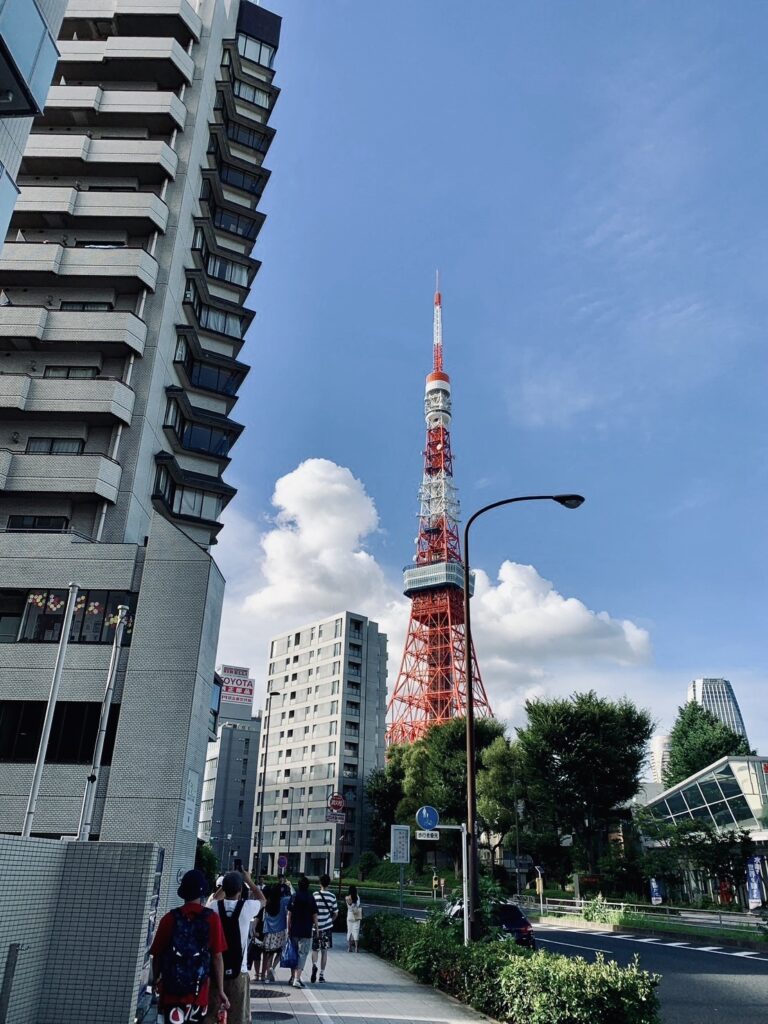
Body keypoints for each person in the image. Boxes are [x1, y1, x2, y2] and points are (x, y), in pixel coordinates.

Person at [150, 869, 229, 1024]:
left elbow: (157, 955)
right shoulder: (212, 919)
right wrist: (220, 990)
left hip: (171, 992)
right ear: (202, 893)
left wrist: (156, 980)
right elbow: (217, 957)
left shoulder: (169, 919)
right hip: (198, 995)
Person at [204, 870, 264, 1024]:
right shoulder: (247, 907)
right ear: (241, 890)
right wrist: (248, 880)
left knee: (211, 1015)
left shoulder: (214, 907)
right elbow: (262, 899)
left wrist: (224, 885)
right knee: (238, 1018)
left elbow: (212, 900)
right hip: (240, 971)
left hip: (216, 971)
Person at [286, 875, 318, 989]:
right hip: (306, 930)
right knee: (302, 954)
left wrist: (288, 928)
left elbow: (289, 914)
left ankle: (292, 977)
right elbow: (314, 915)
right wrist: (317, 929)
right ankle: (297, 979)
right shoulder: (310, 898)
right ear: (308, 886)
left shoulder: (294, 896)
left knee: (294, 953)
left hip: (294, 929)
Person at [259, 881, 292, 983]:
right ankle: (272, 968)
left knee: (269, 953)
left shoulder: (268, 902)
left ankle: (268, 975)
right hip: (280, 931)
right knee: (280, 952)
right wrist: (290, 887)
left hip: (269, 933)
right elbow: (293, 897)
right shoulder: (284, 901)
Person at [310, 874, 338, 983]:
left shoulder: (315, 895)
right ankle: (321, 975)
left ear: (320, 883)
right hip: (327, 927)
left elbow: (311, 911)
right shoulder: (332, 896)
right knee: (324, 951)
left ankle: (314, 965)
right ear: (329, 884)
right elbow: (335, 913)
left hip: (316, 928)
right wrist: (330, 920)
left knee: (315, 950)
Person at [345, 885, 362, 953]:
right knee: (356, 931)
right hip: (356, 914)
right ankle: (356, 948)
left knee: (349, 931)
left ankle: (349, 948)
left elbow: (348, 906)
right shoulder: (357, 897)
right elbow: (358, 905)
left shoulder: (347, 897)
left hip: (349, 915)